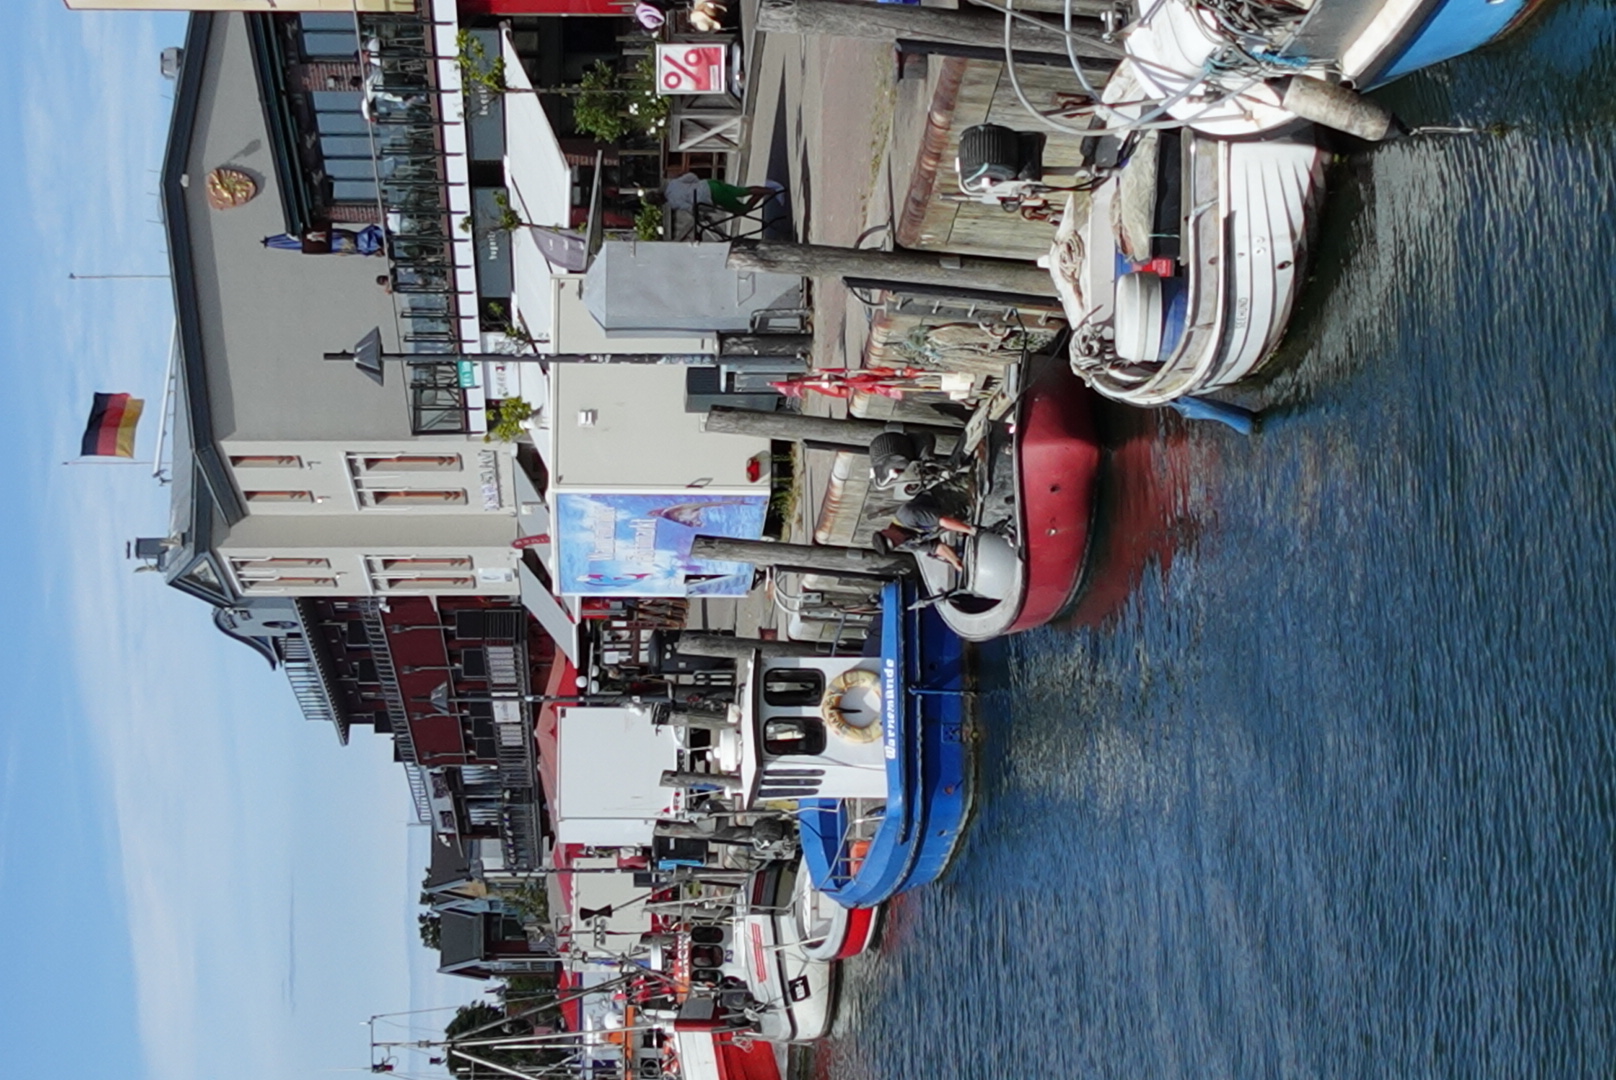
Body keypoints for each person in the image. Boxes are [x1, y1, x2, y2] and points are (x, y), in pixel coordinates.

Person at [646, 172, 782, 216]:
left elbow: (691, 208)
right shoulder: (672, 184)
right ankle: (768, 190)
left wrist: (703, 214)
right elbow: (691, 176)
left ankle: (772, 191)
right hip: (709, 184)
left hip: (711, 196)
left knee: (742, 210)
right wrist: (697, 185)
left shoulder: (674, 202)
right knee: (741, 191)